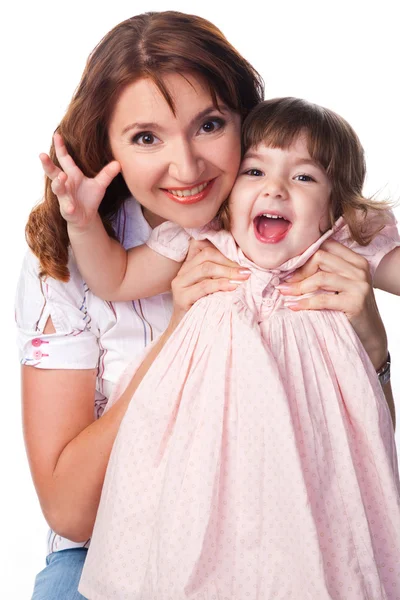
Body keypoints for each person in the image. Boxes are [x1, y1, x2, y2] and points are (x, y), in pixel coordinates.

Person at [15, 9, 393, 599]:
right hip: (119, 536)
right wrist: (174, 325)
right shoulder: (83, 262)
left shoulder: (305, 229)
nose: (187, 166)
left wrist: (372, 348)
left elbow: (352, 455)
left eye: (211, 125)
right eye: (146, 137)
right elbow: (69, 512)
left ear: (247, 119)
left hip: (287, 527)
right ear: (106, 145)